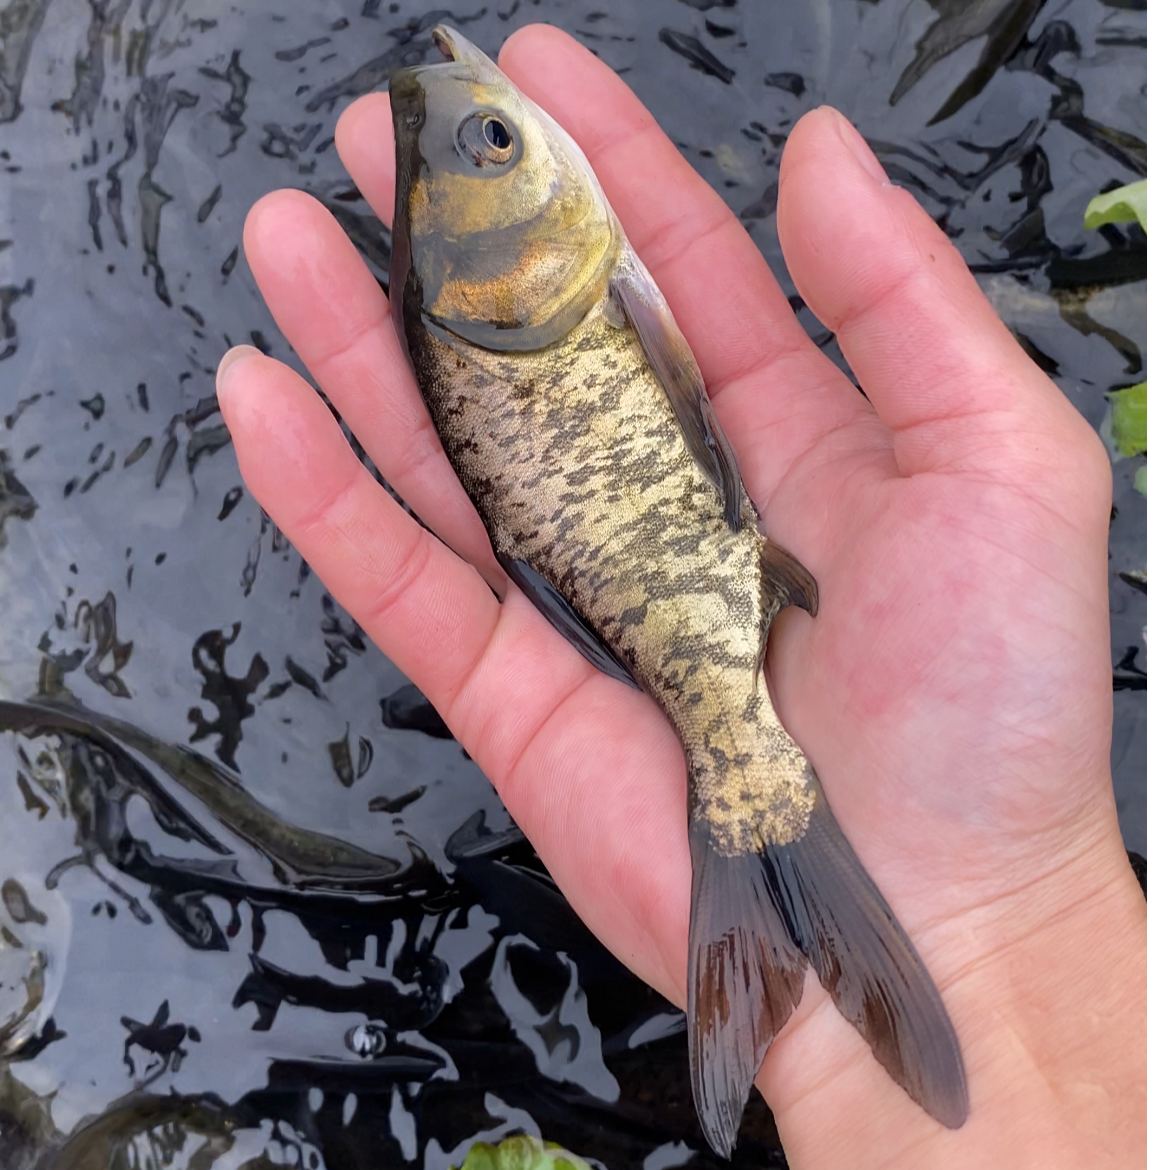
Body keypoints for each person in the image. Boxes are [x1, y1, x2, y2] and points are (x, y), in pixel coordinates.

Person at [214, 25, 1146, 1168]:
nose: (505, 124)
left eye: (490, 141)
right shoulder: (569, 282)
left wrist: (1015, 906)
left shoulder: (529, 286)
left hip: (662, 587)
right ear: (518, 260)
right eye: (497, 144)